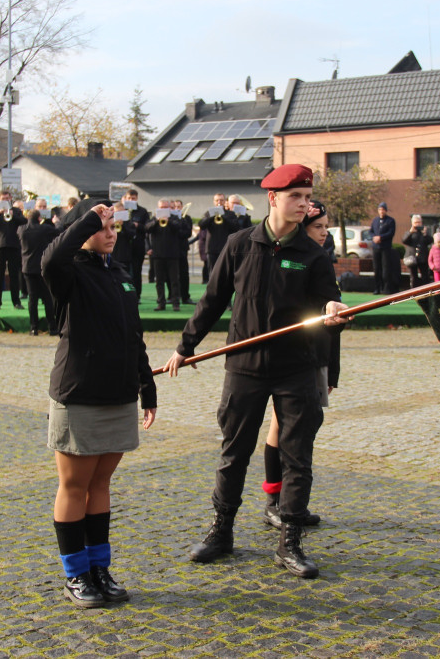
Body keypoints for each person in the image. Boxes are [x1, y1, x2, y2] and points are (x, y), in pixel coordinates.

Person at [163, 164, 348, 579]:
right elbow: (212, 300)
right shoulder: (239, 244)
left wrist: (335, 314)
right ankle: (221, 532)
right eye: (296, 197)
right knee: (234, 453)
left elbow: (328, 304)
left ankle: (290, 543)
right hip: (244, 367)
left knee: (297, 458)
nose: (304, 204)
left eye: (308, 197)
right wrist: (185, 346)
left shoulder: (313, 255)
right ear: (273, 198)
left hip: (297, 369)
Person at [42, 203, 157, 608]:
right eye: (102, 227)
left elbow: (133, 335)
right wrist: (88, 218)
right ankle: (75, 574)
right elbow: (50, 258)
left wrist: (146, 386)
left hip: (118, 394)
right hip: (80, 395)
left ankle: (99, 569)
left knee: (101, 485)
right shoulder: (69, 272)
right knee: (74, 486)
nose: (111, 234)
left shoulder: (121, 274)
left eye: (113, 227)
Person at [260, 201, 339, 529]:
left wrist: (332, 369)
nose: (324, 233)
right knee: (281, 425)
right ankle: (274, 500)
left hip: (315, 356)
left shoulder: (321, 258)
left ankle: (293, 502)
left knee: (306, 427)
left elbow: (332, 325)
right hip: (290, 358)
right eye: (318, 227)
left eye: (326, 227)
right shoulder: (289, 259)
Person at [20, 204, 59, 336]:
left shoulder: (21, 229)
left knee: (32, 299)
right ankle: (52, 327)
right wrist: (56, 222)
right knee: (47, 298)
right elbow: (58, 231)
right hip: (42, 267)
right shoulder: (44, 229)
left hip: (28, 267)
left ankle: (33, 327)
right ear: (39, 218)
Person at [145, 198, 188, 312]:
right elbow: (147, 228)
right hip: (158, 254)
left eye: (165, 207)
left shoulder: (174, 218)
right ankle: (161, 303)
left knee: (174, 280)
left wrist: (168, 221)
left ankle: (175, 303)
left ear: (169, 208)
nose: (163, 209)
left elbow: (178, 228)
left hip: (172, 254)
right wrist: (156, 221)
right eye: (161, 207)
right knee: (159, 281)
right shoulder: (154, 218)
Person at [199, 193, 240, 280]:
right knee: (212, 274)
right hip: (211, 249)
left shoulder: (230, 214)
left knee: (226, 274)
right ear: (214, 202)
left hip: (226, 247)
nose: (219, 202)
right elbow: (202, 225)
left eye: (221, 200)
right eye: (217, 200)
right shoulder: (209, 213)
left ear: (225, 201)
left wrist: (223, 216)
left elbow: (236, 227)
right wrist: (212, 216)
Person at [368, 202, 397, 294]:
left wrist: (381, 237)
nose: (381, 211)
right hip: (376, 247)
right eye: (380, 209)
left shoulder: (390, 221)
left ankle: (386, 288)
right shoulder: (375, 220)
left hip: (385, 247)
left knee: (386, 268)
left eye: (383, 209)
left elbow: (391, 232)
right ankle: (377, 288)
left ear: (386, 210)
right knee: (376, 268)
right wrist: (374, 237)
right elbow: (371, 231)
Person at [401, 214, 433, 288]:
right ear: (412, 223)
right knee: (413, 276)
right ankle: (414, 291)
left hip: (423, 257)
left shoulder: (424, 233)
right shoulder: (409, 232)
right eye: (416, 222)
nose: (418, 224)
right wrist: (410, 232)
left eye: (419, 222)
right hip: (412, 258)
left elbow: (430, 240)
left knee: (425, 276)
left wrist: (425, 234)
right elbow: (404, 241)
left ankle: (425, 291)